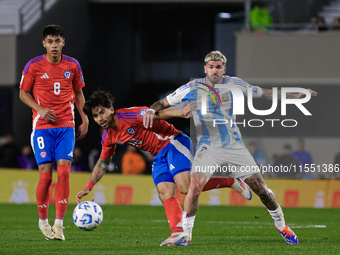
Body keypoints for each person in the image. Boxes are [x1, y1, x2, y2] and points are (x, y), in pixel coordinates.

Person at [143, 50, 318, 246]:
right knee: (193, 187)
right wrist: (151, 109)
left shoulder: (235, 84)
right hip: (207, 147)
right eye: (211, 67)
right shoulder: (192, 87)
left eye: (218, 67)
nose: (214, 71)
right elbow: (162, 103)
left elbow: (266, 93)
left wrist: (296, 95)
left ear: (224, 69)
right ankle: (185, 235)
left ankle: (282, 226)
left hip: (234, 146)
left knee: (262, 191)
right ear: (205, 69)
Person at [75, 90, 251, 246]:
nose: (100, 118)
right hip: (158, 155)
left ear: (111, 109)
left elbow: (156, 114)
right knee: (164, 192)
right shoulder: (108, 136)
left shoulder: (128, 116)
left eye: (102, 112)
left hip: (173, 141)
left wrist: (180, 112)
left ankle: (231, 180)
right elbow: (103, 162)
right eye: (96, 116)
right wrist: (88, 187)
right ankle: (178, 233)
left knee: (184, 187)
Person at [19, 25, 88, 241]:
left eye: (57, 41)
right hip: (42, 128)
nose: (54, 45)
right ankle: (43, 221)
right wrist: (39, 109)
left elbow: (78, 92)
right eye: (50, 41)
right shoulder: (34, 66)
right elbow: (23, 93)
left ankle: (59, 224)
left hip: (66, 125)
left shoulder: (73, 65)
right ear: (44, 44)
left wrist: (84, 117)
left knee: (65, 172)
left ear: (63, 42)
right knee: (46, 176)